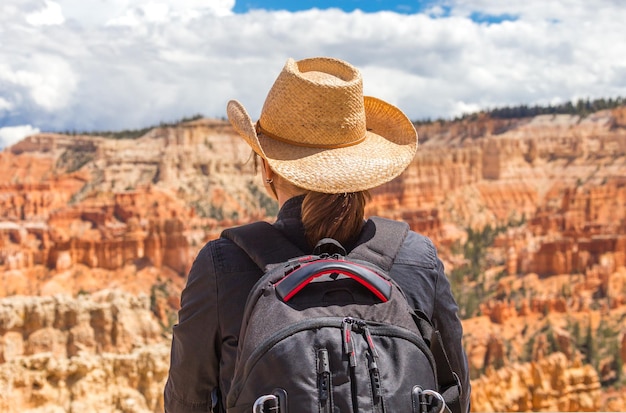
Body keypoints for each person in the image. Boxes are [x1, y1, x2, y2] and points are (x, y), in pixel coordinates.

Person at [164, 56, 470, 413]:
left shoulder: (222, 264)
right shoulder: (416, 257)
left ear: (266, 167)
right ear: (364, 169)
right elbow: (455, 394)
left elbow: (187, 401)